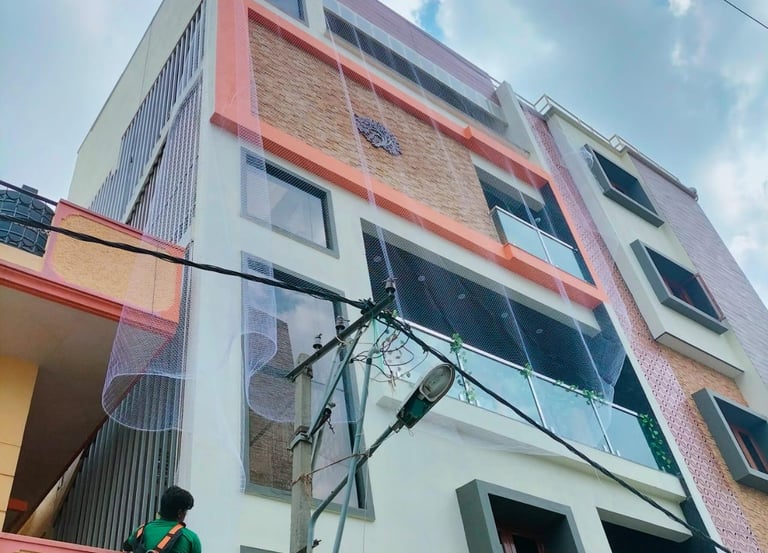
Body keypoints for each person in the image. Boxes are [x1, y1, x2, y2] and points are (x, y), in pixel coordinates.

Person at [123, 486, 202, 553]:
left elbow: (126, 547)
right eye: (185, 511)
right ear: (180, 513)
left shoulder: (141, 530)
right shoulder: (190, 538)